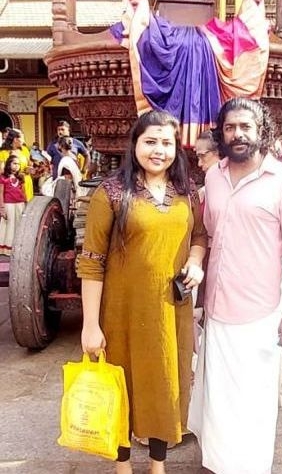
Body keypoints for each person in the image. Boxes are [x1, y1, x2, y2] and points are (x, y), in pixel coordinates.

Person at [77, 110, 207, 474]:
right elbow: (91, 261)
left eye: (166, 143)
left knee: (165, 385)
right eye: (150, 141)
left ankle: (157, 465)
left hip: (171, 312)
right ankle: (122, 467)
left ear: (176, 149)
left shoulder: (186, 191)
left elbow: (200, 235)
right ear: (134, 144)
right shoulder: (112, 193)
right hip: (121, 314)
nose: (158, 151)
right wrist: (90, 325)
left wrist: (195, 260)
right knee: (121, 388)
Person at [188, 98, 282, 474]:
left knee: (254, 400)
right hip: (218, 308)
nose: (238, 134)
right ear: (221, 134)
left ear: (262, 131)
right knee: (219, 397)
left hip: (260, 311)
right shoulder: (213, 177)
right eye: (230, 128)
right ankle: (219, 464)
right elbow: (205, 234)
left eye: (246, 127)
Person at [0, 155, 26, 256]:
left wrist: (26, 204)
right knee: (9, 226)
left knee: (19, 225)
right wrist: (2, 208)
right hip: (8, 205)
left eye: (18, 164)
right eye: (14, 163)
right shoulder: (3, 177)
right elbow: (1, 193)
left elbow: (23, 193)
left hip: (20, 204)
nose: (17, 166)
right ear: (8, 164)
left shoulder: (20, 177)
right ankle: (7, 249)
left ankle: (19, 247)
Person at [0, 129, 34, 201]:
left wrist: (29, 169)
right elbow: (2, 171)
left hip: (26, 182)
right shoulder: (3, 153)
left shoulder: (24, 150)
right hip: (12, 185)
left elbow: (28, 164)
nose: (23, 141)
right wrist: (16, 174)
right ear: (15, 139)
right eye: (22, 138)